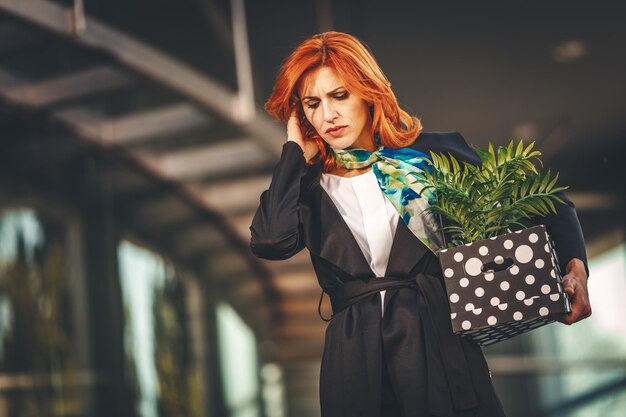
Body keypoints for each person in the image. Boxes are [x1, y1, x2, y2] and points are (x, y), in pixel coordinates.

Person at [249, 31, 591, 417]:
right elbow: (270, 242)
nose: (327, 115)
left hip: (439, 344)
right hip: (354, 363)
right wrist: (293, 153)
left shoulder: (428, 156)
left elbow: (548, 202)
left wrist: (576, 269)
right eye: (312, 104)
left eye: (339, 95)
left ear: (368, 91)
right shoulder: (306, 184)